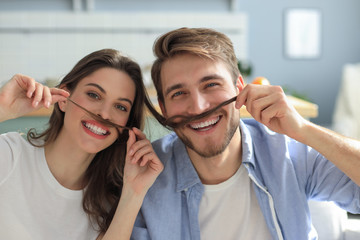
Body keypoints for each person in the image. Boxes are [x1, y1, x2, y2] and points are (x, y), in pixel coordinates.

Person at [131, 27, 360, 240]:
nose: (199, 107)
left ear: (239, 88)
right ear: (163, 106)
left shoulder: (287, 152)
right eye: (179, 93)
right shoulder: (146, 179)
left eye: (211, 84)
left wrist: (304, 130)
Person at [0, 49, 163, 240]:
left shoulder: (108, 202)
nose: (104, 114)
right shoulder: (9, 154)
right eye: (94, 95)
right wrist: (3, 108)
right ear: (64, 99)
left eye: (120, 107)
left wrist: (134, 192)